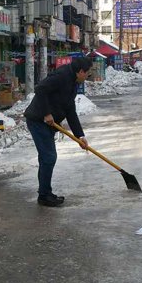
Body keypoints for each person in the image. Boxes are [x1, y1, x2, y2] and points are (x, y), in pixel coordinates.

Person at [24, 57, 91, 206]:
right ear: (80, 72)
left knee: (46, 158)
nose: (87, 77)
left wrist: (80, 135)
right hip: (38, 120)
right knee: (49, 157)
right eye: (87, 74)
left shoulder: (73, 82)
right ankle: (44, 195)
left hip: (49, 124)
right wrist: (46, 113)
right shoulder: (62, 76)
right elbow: (40, 88)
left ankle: (44, 193)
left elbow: (70, 111)